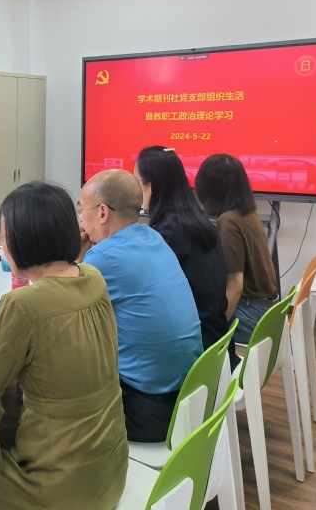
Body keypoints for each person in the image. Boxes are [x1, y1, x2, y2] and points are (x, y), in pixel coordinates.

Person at [0, 181, 128, 509]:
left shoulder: (22, 303)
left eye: (3, 239)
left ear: (19, 242)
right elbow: (54, 347)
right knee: (3, 439)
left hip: (64, 488)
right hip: (110, 468)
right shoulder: (92, 277)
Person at [78, 169, 203, 443]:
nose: (81, 220)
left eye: (81, 210)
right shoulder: (153, 237)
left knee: (67, 373)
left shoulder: (103, 257)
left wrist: (82, 256)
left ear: (102, 213)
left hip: (150, 412)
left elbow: (61, 311)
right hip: (191, 395)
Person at [135, 146, 240, 370]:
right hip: (217, 345)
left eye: (138, 183)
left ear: (152, 186)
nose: (135, 191)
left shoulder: (167, 236)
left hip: (195, 356)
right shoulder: (201, 224)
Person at [195, 153, 278, 345]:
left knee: (195, 324)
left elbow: (235, 286)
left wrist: (218, 330)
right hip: (265, 309)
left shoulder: (229, 221)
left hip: (250, 313)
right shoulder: (248, 212)